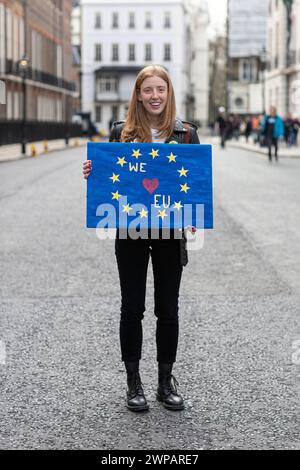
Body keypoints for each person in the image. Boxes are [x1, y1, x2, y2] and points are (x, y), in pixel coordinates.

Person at [82, 65, 200, 412]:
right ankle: (134, 382)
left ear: (169, 93)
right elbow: (106, 178)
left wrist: (194, 213)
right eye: (147, 90)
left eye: (160, 89)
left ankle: (166, 381)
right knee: (132, 308)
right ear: (138, 94)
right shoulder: (121, 133)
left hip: (168, 232)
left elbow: (194, 181)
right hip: (130, 231)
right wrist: (92, 172)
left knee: (168, 309)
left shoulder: (186, 133)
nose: (154, 96)